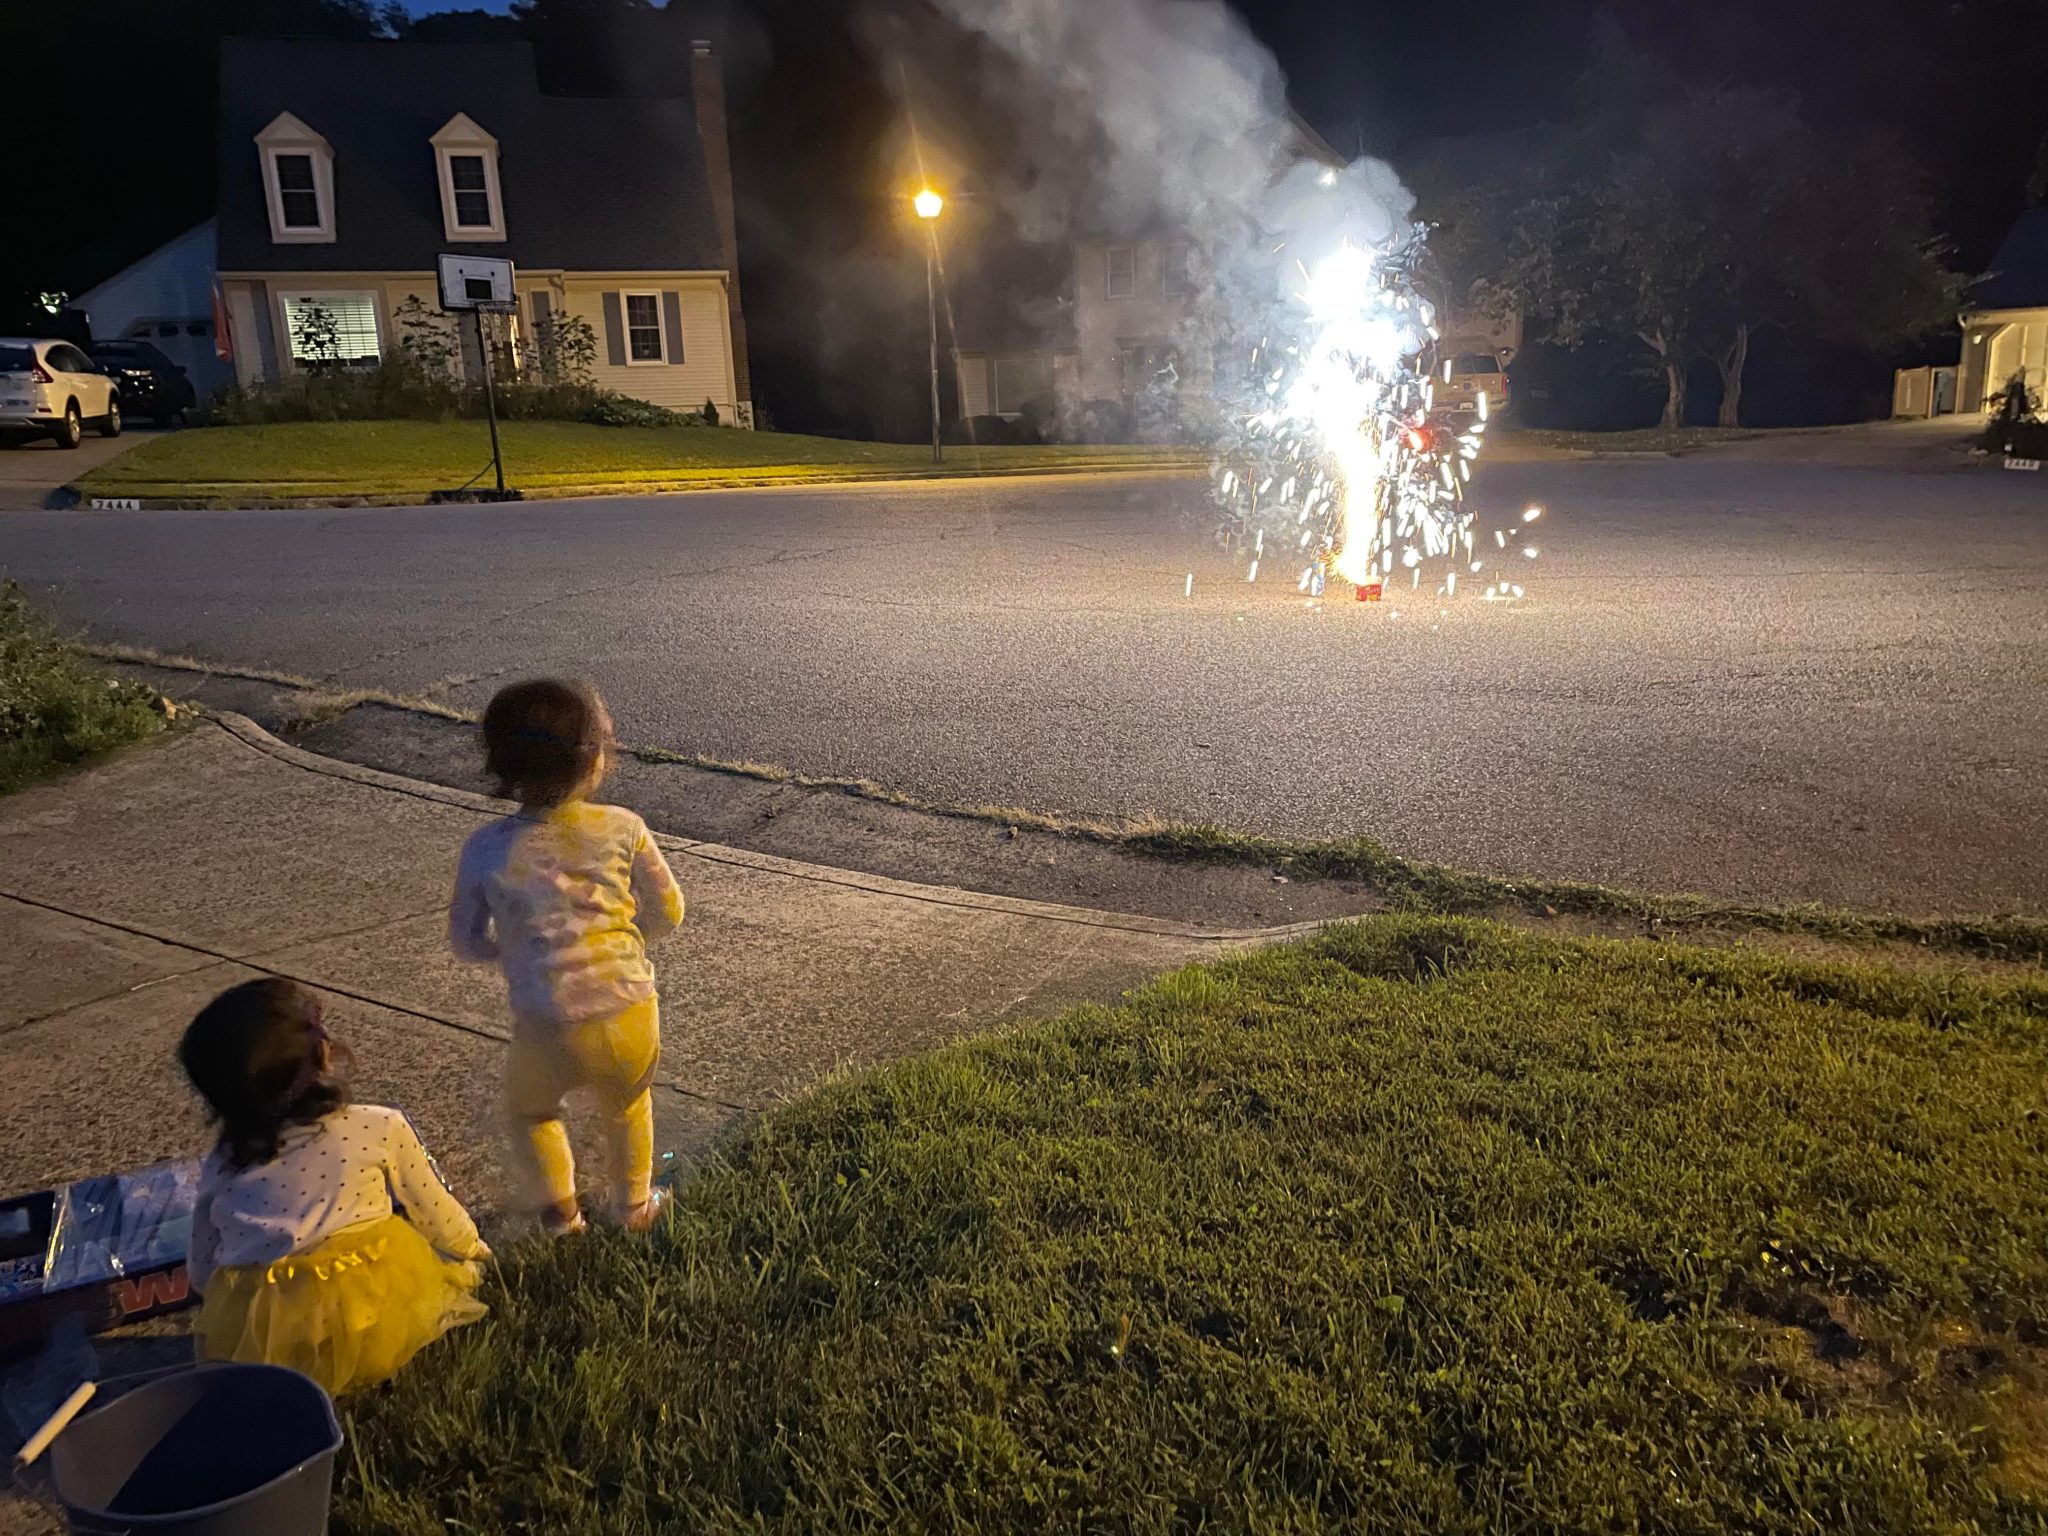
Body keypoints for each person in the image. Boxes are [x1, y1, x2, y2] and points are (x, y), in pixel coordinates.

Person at [449, 678, 684, 1236]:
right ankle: (634, 1209)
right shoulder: (624, 828)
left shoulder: (485, 849)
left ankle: (562, 1219)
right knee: (628, 1107)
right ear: (597, 757)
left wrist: (514, 950)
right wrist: (630, 940)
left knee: (532, 1113)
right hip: (630, 1010)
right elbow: (670, 910)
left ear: (500, 764)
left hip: (546, 1020)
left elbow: (466, 940)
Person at [179, 978, 489, 1397]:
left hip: (278, 1333)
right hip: (374, 1305)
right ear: (323, 1056)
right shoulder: (379, 1125)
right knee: (434, 1267)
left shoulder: (224, 1165)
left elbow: (202, 1269)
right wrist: (473, 1250)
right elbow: (433, 1208)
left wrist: (226, 1302)